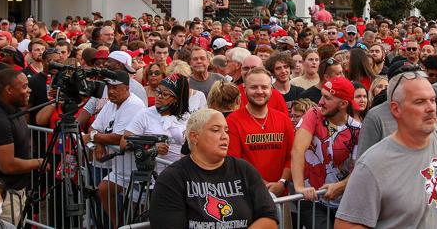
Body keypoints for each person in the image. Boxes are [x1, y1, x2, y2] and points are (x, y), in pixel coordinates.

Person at [335, 71, 437, 229]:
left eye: (433, 100)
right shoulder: (372, 163)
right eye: (419, 102)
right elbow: (347, 224)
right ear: (395, 109)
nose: (430, 108)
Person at [149, 108, 278, 228]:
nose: (225, 136)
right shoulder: (172, 178)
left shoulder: (244, 169)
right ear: (194, 137)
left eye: (226, 130)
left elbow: (269, 217)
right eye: (216, 130)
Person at [292, 76, 361, 228]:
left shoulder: (357, 129)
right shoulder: (314, 114)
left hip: (344, 202)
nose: (321, 101)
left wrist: (342, 185)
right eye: (322, 95)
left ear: (343, 104)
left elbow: (360, 167)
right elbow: (298, 149)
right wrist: (299, 187)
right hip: (312, 198)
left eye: (327, 98)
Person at [0, 68, 42, 225]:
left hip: (16, 192)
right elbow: (8, 165)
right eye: (24, 86)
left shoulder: (15, 111)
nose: (29, 90)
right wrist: (41, 162)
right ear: (8, 89)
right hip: (3, 196)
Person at [91, 70, 146, 229]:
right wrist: (99, 142)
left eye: (116, 87)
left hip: (137, 169)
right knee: (103, 189)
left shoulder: (134, 104)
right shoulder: (111, 103)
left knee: (138, 213)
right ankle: (118, 225)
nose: (112, 91)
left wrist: (95, 137)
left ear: (127, 88)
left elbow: (118, 137)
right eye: (109, 87)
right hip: (120, 168)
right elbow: (95, 128)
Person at [226, 67, 294, 197]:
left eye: (264, 87)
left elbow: (291, 156)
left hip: (281, 195)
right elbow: (234, 162)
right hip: (248, 196)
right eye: (254, 87)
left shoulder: (283, 119)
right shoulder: (233, 121)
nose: (259, 91)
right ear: (244, 90)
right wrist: (261, 185)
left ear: (271, 89)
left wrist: (282, 182)